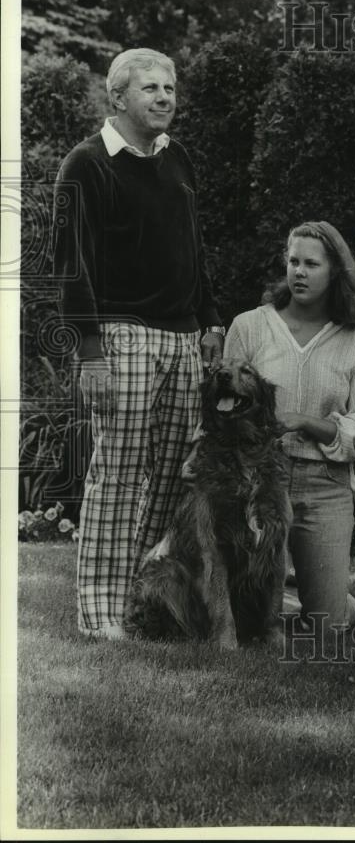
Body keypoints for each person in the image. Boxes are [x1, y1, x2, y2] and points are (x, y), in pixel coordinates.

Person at [52, 48, 224, 639]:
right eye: (150, 87)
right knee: (118, 475)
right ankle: (101, 616)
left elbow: (194, 248)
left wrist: (210, 321)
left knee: (177, 478)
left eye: (170, 87)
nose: (164, 97)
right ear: (117, 96)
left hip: (182, 339)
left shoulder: (179, 160)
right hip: (121, 336)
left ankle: (142, 600)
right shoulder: (87, 164)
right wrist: (90, 351)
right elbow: (71, 266)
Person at [223, 221, 355, 636]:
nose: (299, 272)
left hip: (325, 486)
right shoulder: (249, 327)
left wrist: (305, 422)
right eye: (293, 261)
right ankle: (287, 589)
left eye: (311, 264)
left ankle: (318, 594)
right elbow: (224, 409)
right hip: (259, 482)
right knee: (256, 626)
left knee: (328, 629)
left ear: (335, 272)